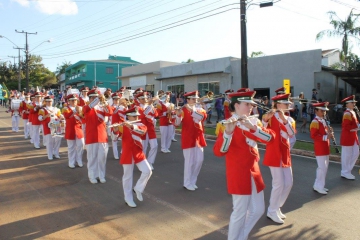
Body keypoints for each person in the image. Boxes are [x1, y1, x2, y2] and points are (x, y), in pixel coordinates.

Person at [213, 90, 274, 240]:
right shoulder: (224, 124)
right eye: (247, 104)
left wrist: (253, 127)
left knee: (259, 209)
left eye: (252, 104)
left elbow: (270, 138)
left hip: (254, 170)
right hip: (238, 171)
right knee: (239, 212)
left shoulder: (254, 122)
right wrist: (228, 133)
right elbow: (219, 152)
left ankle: (242, 236)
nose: (251, 107)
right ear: (236, 105)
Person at [262, 93, 296, 224]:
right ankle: (272, 210)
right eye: (285, 103)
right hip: (274, 153)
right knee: (279, 183)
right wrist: (265, 120)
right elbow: (262, 133)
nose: (287, 105)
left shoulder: (289, 119)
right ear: (277, 105)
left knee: (289, 182)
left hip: (285, 153)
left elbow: (292, 134)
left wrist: (284, 119)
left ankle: (276, 207)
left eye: (288, 103)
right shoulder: (269, 117)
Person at [112, 107, 152, 208]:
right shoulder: (123, 126)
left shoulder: (141, 125)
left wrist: (131, 126)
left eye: (137, 116)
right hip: (127, 153)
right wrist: (115, 130)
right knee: (127, 176)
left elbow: (142, 132)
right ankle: (128, 198)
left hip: (138, 152)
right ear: (128, 116)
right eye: (134, 116)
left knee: (148, 171)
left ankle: (138, 188)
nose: (136, 117)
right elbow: (114, 138)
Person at [175, 91, 207, 191]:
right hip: (188, 137)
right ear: (188, 100)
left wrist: (191, 110)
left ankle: (193, 181)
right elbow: (176, 123)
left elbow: (202, 118)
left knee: (199, 160)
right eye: (193, 99)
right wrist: (177, 114)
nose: (196, 100)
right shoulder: (183, 110)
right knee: (189, 162)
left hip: (198, 138)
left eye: (196, 99)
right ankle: (187, 182)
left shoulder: (200, 109)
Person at [82, 89, 113, 184]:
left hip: (102, 136)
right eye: (93, 98)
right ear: (90, 98)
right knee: (92, 158)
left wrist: (104, 102)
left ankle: (101, 175)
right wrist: (97, 100)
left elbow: (110, 113)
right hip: (91, 136)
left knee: (102, 158)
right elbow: (86, 110)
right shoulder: (86, 107)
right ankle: (92, 175)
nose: (95, 99)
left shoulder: (102, 107)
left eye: (96, 97)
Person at [310, 102, 332, 194]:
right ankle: (318, 186)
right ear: (316, 111)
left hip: (325, 146)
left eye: (325, 111)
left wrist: (329, 133)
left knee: (325, 167)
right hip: (320, 147)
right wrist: (326, 136)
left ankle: (319, 185)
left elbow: (324, 132)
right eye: (322, 111)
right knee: (321, 167)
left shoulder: (323, 120)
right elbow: (314, 135)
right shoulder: (315, 121)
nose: (324, 112)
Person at [339, 95, 359, 180]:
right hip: (348, 136)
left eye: (354, 102)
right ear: (347, 104)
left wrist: (357, 126)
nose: (354, 104)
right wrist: (358, 127)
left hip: (353, 136)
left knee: (356, 153)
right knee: (346, 155)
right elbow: (346, 126)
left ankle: (347, 170)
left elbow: (356, 123)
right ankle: (345, 172)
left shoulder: (352, 112)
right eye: (352, 102)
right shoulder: (347, 113)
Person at [137, 91, 158, 170]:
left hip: (151, 128)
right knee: (143, 147)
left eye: (146, 98)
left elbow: (156, 114)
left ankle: (150, 162)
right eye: (143, 98)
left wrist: (151, 105)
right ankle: (143, 163)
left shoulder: (150, 105)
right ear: (140, 99)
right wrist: (149, 105)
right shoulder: (137, 107)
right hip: (143, 129)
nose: (145, 99)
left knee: (155, 145)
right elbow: (143, 115)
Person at [62, 94, 85, 168]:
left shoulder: (80, 108)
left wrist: (81, 113)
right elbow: (67, 116)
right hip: (70, 129)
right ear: (69, 101)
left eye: (75, 100)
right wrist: (75, 110)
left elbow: (84, 118)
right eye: (72, 100)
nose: (74, 102)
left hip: (78, 128)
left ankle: (79, 160)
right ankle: (71, 162)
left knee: (81, 144)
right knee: (71, 147)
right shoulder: (66, 109)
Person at [38, 96, 63, 160]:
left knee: (58, 140)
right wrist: (46, 115)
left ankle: (56, 153)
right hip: (47, 126)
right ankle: (50, 155)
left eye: (51, 101)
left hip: (56, 126)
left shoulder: (56, 109)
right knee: (50, 141)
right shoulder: (42, 110)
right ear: (45, 102)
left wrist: (61, 117)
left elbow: (60, 116)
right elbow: (40, 118)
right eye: (48, 101)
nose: (50, 102)